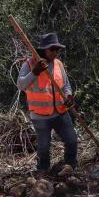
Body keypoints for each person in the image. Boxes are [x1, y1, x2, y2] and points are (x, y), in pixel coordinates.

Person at [16, 32, 77, 174]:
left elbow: (66, 85)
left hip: (61, 112)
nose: (55, 52)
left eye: (57, 49)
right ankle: (43, 172)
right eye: (52, 49)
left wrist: (69, 96)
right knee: (43, 147)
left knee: (72, 141)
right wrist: (35, 72)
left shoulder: (59, 64)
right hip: (40, 116)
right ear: (44, 49)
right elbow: (20, 85)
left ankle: (69, 168)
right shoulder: (30, 64)